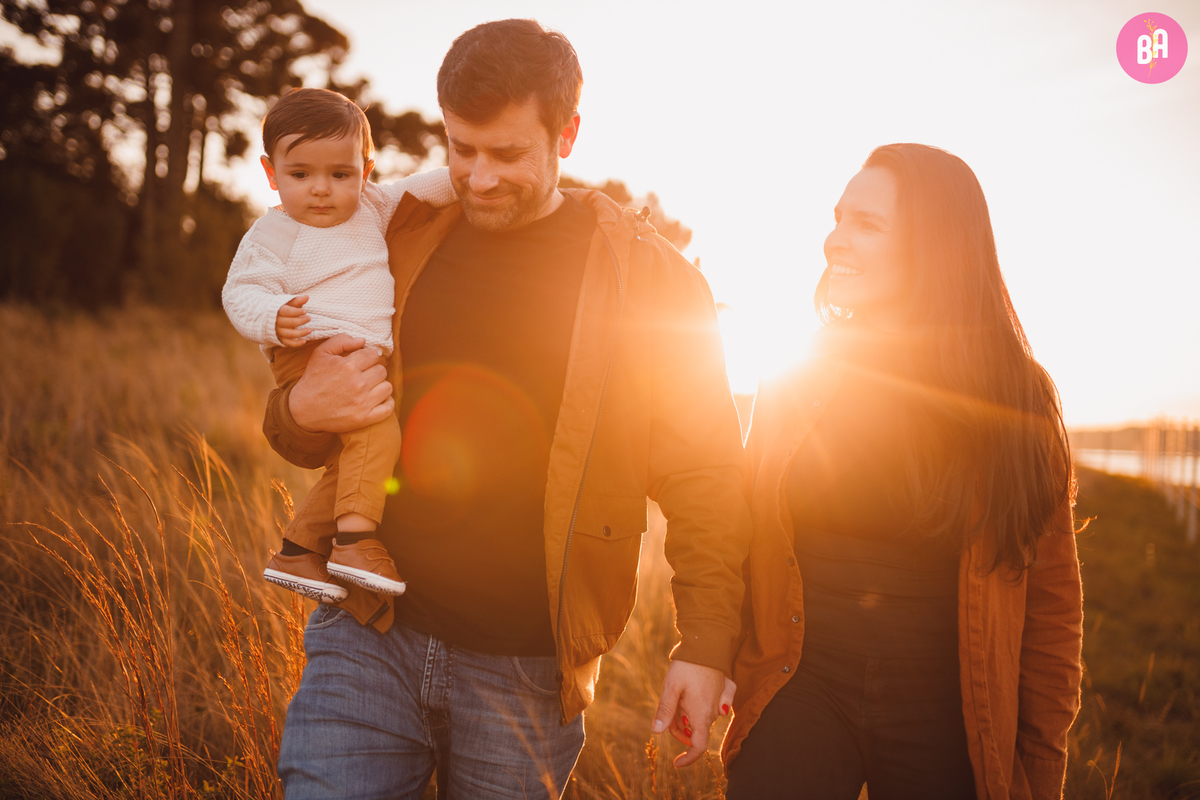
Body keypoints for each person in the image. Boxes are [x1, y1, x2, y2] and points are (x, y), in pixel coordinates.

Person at [262, 19, 750, 799]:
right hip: (367, 638)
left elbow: (706, 477)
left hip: (525, 670)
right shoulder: (395, 237)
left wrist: (708, 641)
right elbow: (303, 417)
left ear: (568, 135)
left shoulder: (651, 282)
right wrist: (299, 406)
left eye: (507, 154)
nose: (478, 176)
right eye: (460, 149)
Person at [722, 144, 1084, 800]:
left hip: (947, 710)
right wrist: (713, 658)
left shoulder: (1016, 397)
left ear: (935, 247)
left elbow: (1053, 610)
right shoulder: (797, 375)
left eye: (867, 225)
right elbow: (742, 535)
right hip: (800, 685)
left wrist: (1038, 766)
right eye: (837, 219)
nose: (835, 241)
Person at [223, 88, 458, 603]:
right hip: (310, 346)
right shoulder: (275, 234)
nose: (321, 190)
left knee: (359, 454)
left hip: (361, 351)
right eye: (300, 175)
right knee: (377, 441)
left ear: (366, 171)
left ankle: (298, 550)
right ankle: (354, 543)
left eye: (340, 174)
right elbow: (239, 292)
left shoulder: (373, 206)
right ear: (271, 173)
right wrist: (273, 317)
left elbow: (428, 187)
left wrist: (466, 174)